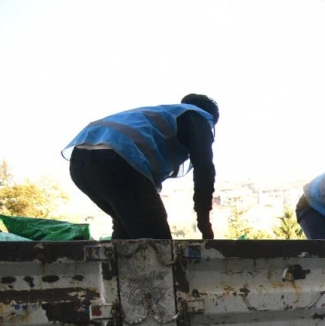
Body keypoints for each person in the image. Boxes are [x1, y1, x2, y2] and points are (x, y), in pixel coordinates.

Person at [64, 94, 219, 240]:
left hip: (80, 163)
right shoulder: (198, 116)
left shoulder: (159, 113)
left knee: (128, 228)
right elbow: (204, 169)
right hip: (116, 159)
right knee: (157, 240)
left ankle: (114, 260)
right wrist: (204, 221)